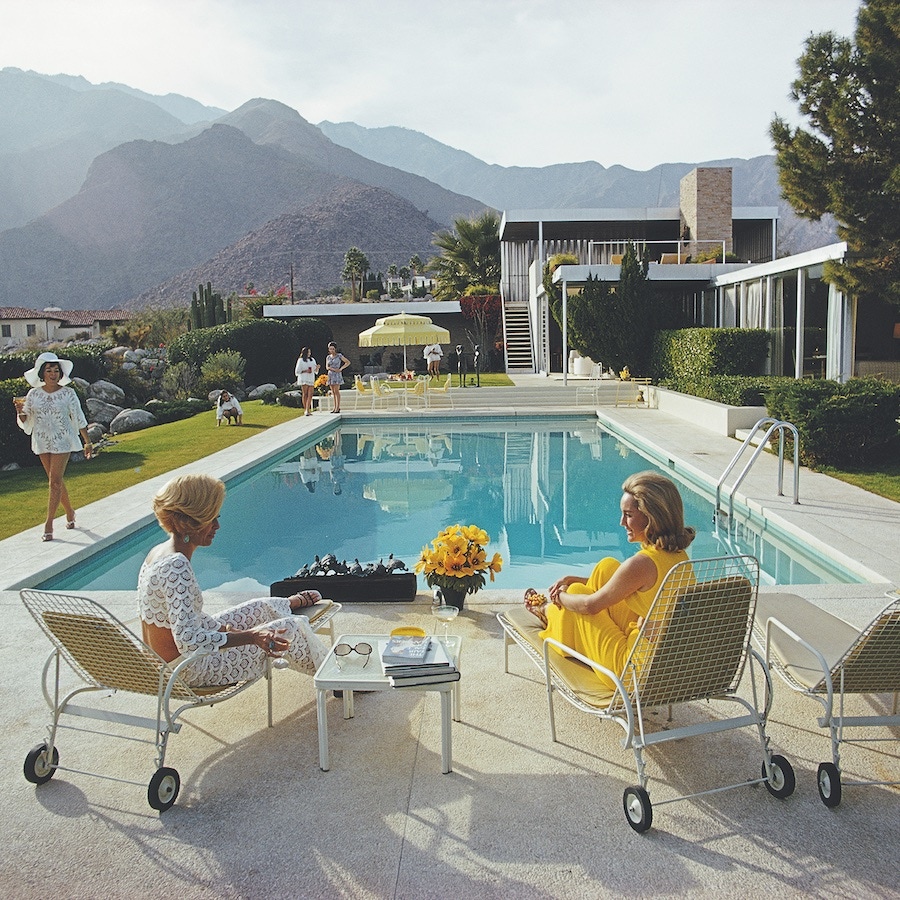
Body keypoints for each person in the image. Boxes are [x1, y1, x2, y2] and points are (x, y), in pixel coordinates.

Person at [137, 473, 327, 687]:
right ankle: (336, 678)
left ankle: (286, 604)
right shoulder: (176, 565)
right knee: (293, 627)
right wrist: (252, 636)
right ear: (191, 521)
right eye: (212, 519)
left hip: (167, 662)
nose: (217, 526)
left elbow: (185, 619)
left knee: (259, 607)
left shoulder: (159, 552)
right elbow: (188, 640)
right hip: (188, 669)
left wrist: (228, 630)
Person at [524, 471, 696, 689]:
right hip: (662, 659)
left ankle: (550, 612)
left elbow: (590, 605)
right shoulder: (677, 557)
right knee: (607, 567)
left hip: (631, 670)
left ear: (651, 517)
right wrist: (576, 579)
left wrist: (561, 597)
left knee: (578, 593)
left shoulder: (642, 564)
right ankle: (563, 619)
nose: (622, 522)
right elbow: (624, 583)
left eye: (629, 515)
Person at [14, 351, 93, 542]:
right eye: (49, 370)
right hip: (42, 440)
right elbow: (27, 421)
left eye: (56, 370)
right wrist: (20, 412)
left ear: (60, 373)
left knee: (55, 481)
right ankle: (70, 512)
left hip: (63, 439)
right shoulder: (33, 394)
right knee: (55, 480)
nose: (53, 373)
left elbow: (79, 418)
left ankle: (48, 524)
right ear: (42, 373)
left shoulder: (68, 393)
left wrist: (87, 441)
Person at [325, 342, 350, 413]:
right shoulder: (328, 357)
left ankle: (337, 407)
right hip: (330, 374)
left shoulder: (339, 356)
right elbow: (327, 367)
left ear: (335, 349)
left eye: (333, 349)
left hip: (337, 375)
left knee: (336, 391)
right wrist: (332, 369)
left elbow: (347, 362)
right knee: (333, 392)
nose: (331, 350)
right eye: (330, 349)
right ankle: (335, 407)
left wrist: (341, 368)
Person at [294, 347, 319, 416]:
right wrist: (305, 371)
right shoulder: (301, 360)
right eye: (308, 352)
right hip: (304, 378)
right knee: (305, 394)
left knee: (310, 394)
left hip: (311, 378)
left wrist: (317, 368)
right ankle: (306, 409)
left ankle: (308, 408)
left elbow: (315, 371)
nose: (309, 353)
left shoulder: (312, 360)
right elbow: (297, 371)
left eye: (310, 352)